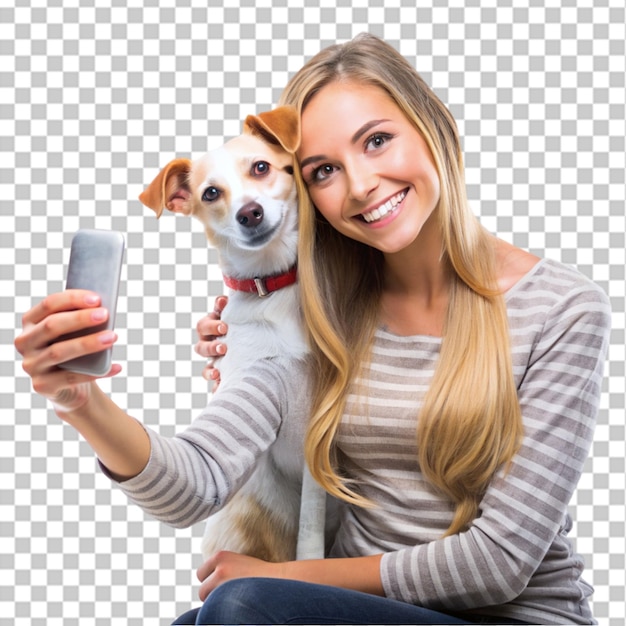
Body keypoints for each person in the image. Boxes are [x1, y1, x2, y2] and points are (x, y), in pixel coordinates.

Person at [15, 33, 610, 625]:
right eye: (324, 170)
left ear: (436, 126)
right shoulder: (320, 316)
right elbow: (195, 484)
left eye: (377, 140)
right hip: (351, 610)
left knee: (243, 606)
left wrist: (285, 580)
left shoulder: (562, 310)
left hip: (514, 618)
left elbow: (497, 562)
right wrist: (81, 402)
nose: (359, 185)